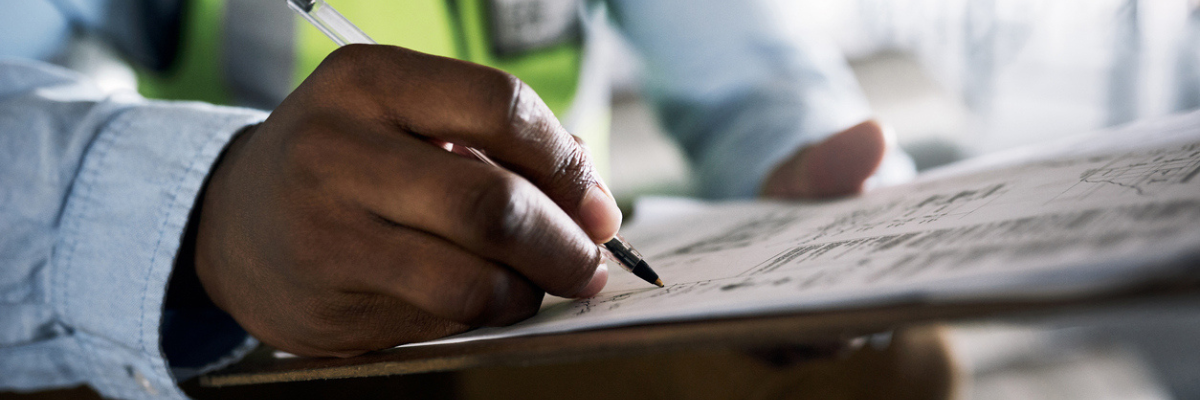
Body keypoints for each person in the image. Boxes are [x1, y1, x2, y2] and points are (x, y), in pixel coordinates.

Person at [0, 0, 920, 399]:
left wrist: (795, 156)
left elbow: (748, 80)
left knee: (888, 366)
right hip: (263, 354)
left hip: (555, 321)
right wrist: (206, 211)